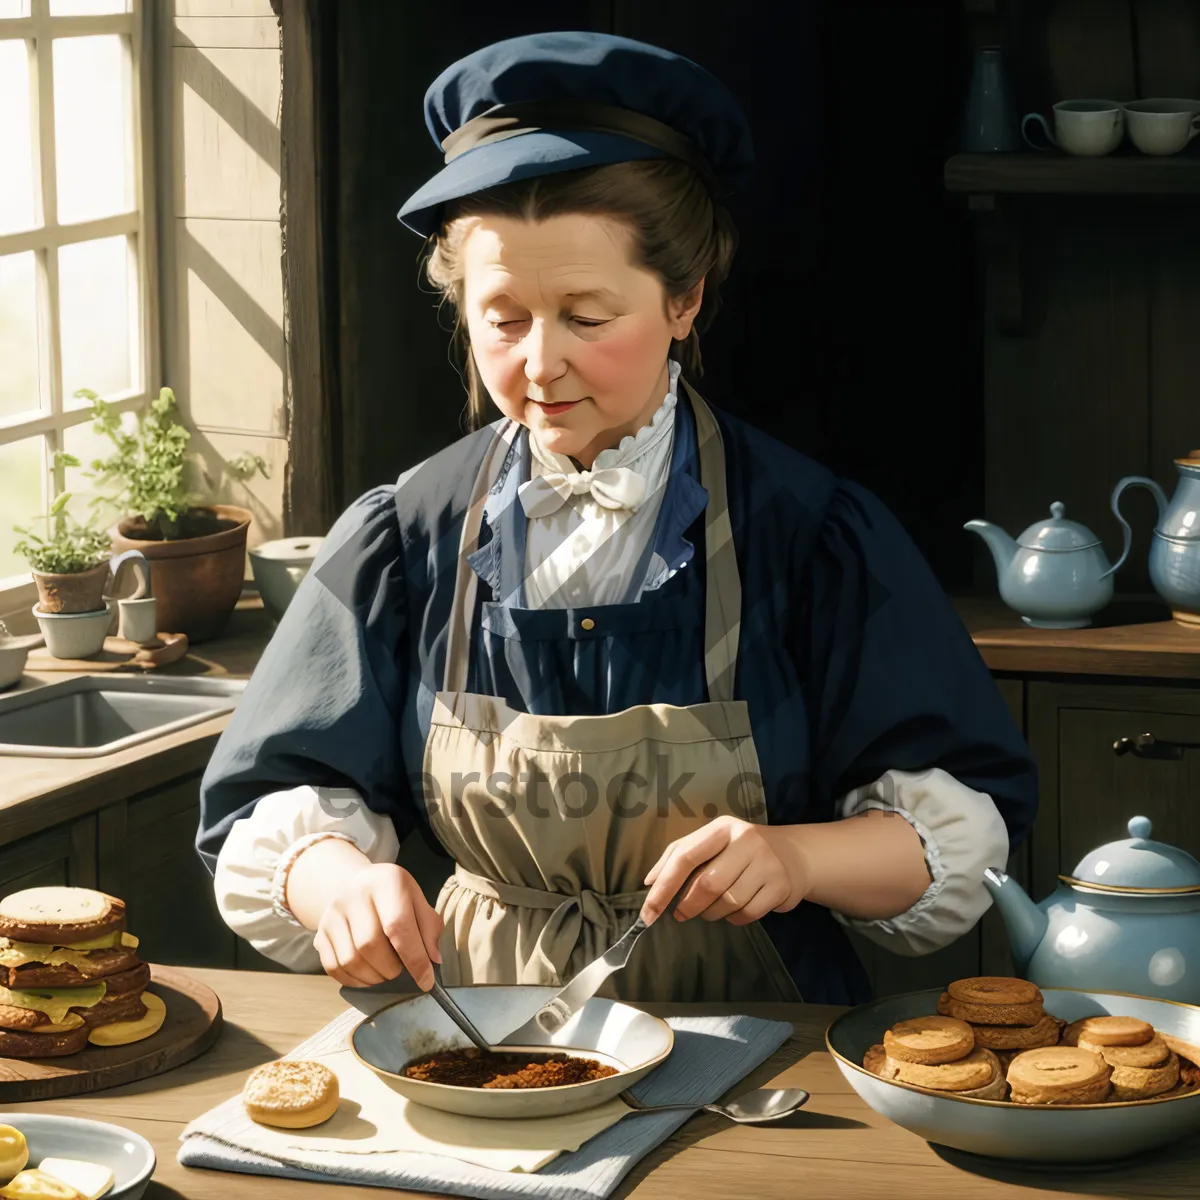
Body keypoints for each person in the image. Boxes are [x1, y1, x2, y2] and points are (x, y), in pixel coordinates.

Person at [197, 31, 1038, 1006]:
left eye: (587, 317)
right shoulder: (406, 537)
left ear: (686, 298)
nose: (540, 363)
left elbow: (963, 834)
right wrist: (338, 883)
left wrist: (797, 858)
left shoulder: (813, 535)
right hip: (477, 1037)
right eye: (503, 318)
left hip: (764, 1046)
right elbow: (268, 806)